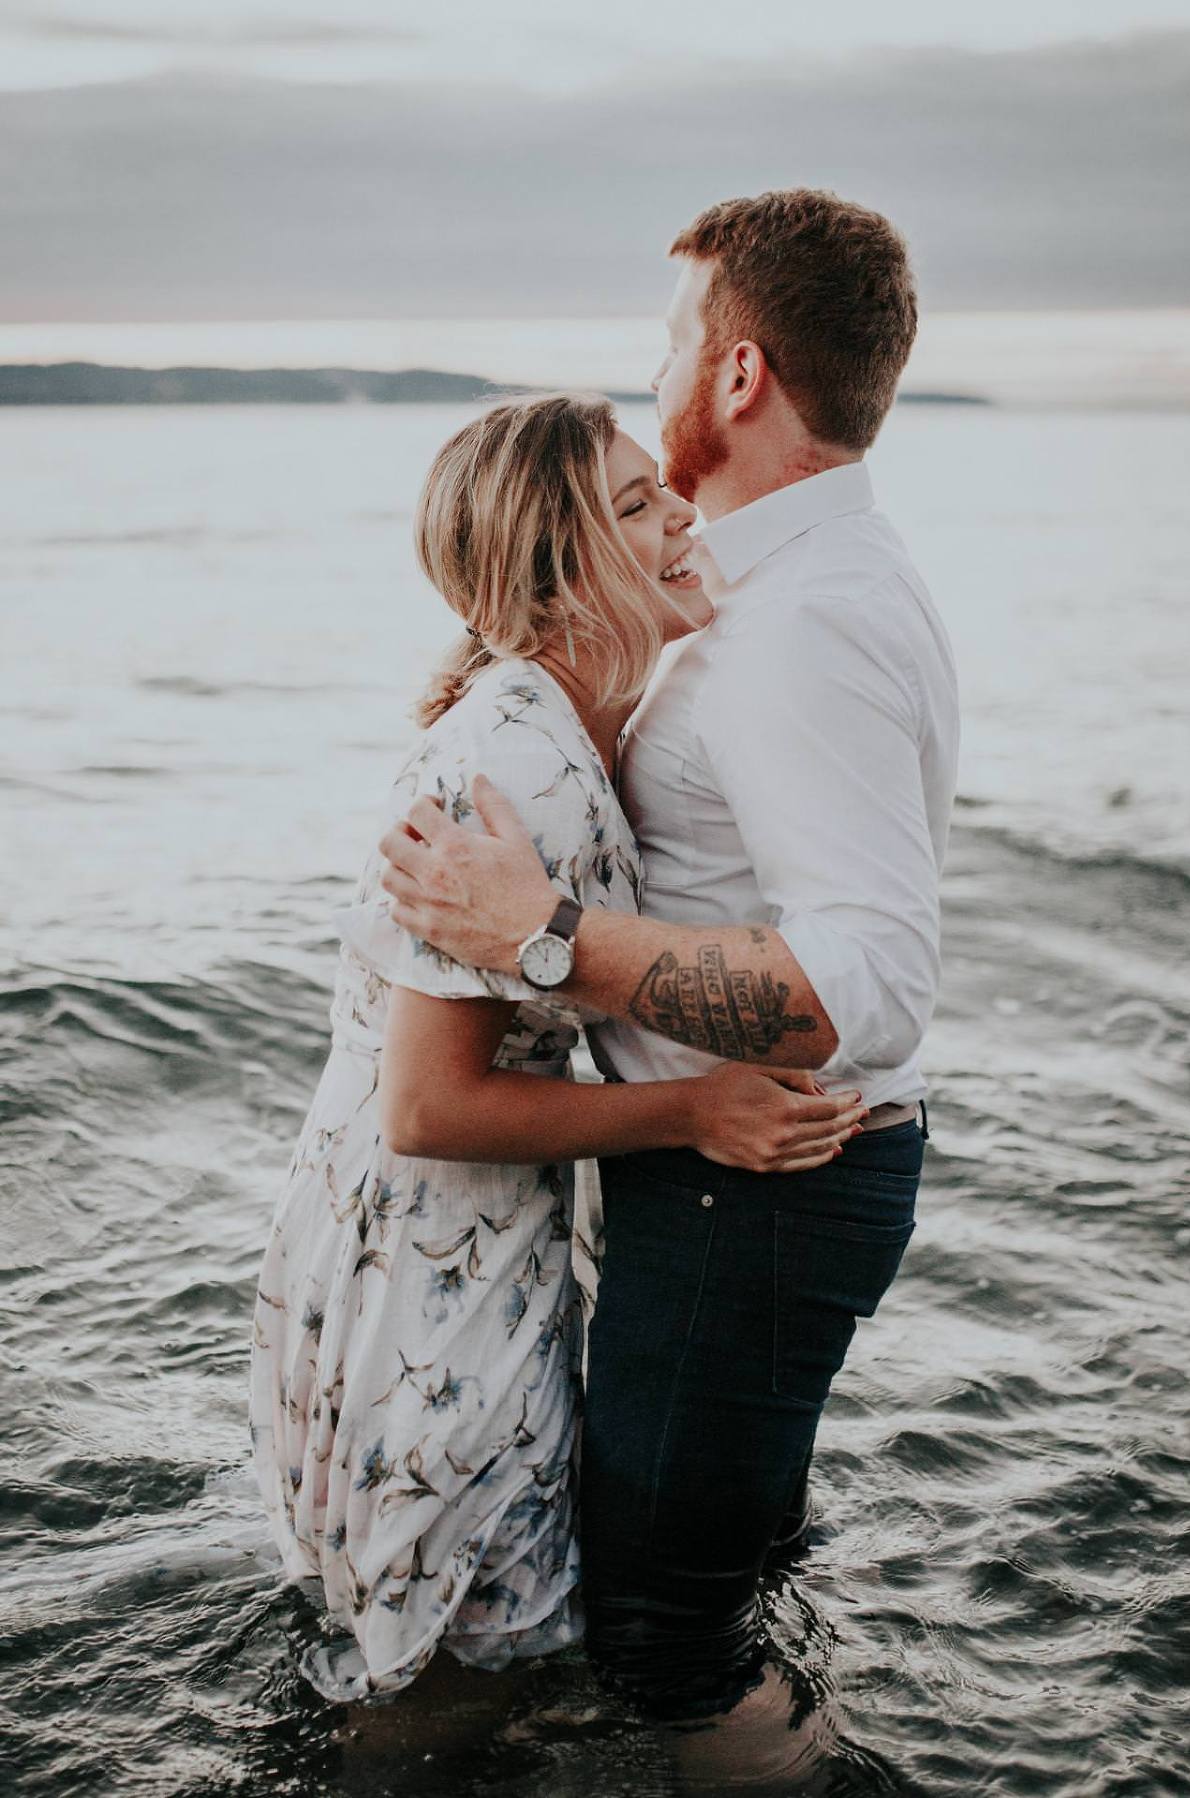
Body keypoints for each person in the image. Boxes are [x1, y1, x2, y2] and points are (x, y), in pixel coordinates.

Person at [377, 188, 961, 1722]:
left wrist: (548, 938)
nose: (656, 374)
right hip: (757, 1183)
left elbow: (868, 984)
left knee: (664, 1642)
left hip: (754, 1189)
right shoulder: (794, 583)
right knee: (725, 1571)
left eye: (670, 339)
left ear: (740, 372)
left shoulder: (801, 625)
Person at [248, 391, 866, 1704]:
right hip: (426, 1275)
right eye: (635, 506)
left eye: (662, 489)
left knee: (474, 1668)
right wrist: (693, 1111)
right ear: (558, 572)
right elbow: (427, 1103)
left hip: (462, 1249)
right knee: (449, 1697)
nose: (681, 514)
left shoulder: (579, 723)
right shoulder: (508, 770)